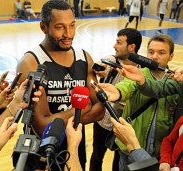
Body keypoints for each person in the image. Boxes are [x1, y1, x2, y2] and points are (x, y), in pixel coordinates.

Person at [16, 0, 105, 170]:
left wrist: (57, 118)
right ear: (44, 27)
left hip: (76, 148)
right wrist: (82, 109)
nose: (68, 34)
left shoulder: (84, 58)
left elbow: (100, 110)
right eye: (59, 27)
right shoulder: (31, 63)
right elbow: (42, 126)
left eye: (72, 25)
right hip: (41, 155)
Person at [98, 34, 179, 170]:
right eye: (151, 52)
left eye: (161, 53)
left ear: (171, 56)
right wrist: (117, 92)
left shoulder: (175, 83)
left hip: (160, 153)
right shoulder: (138, 74)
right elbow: (127, 86)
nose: (154, 57)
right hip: (129, 150)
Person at [91, 28, 142, 171]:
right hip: (103, 120)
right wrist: (101, 69)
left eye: (119, 42)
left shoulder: (142, 70)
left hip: (123, 124)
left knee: (118, 162)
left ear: (131, 47)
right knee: (96, 157)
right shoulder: (112, 60)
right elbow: (103, 65)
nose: (114, 46)